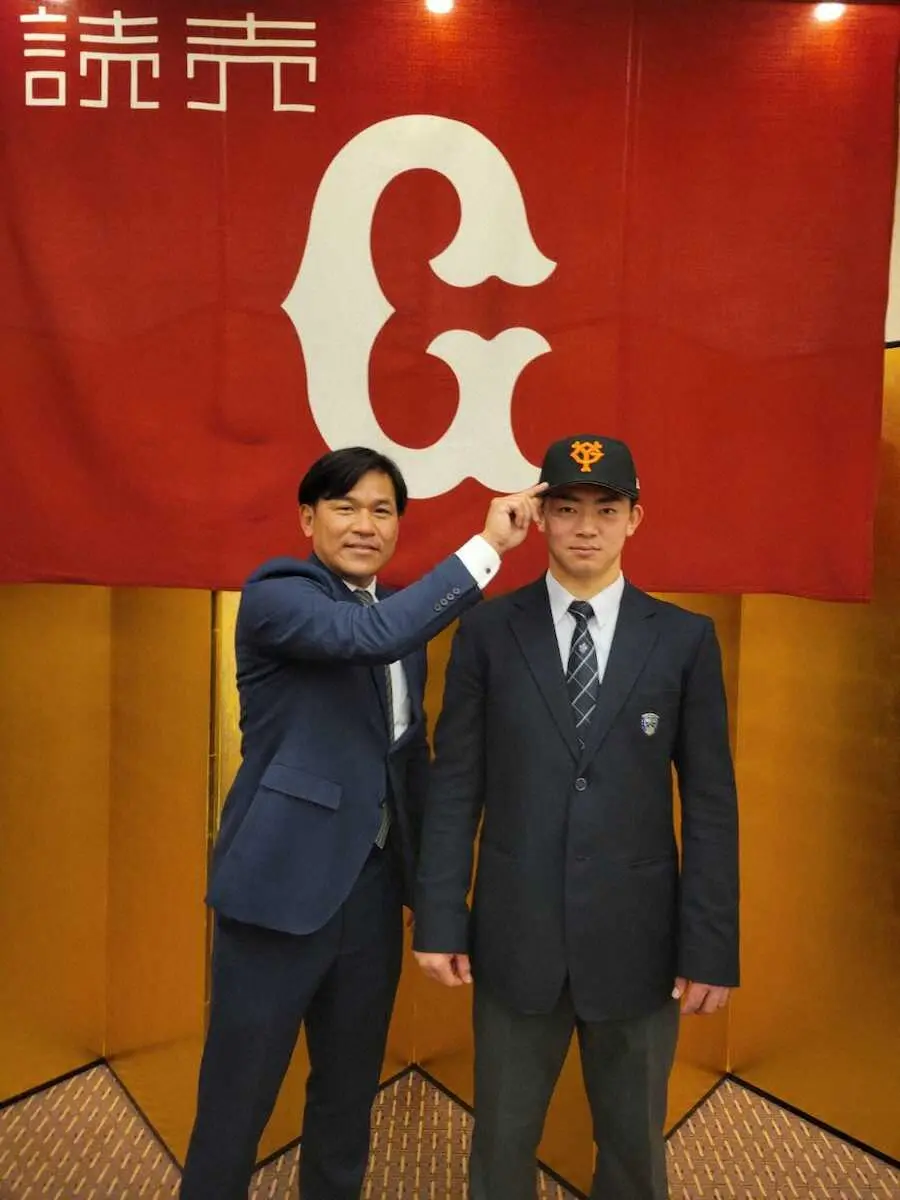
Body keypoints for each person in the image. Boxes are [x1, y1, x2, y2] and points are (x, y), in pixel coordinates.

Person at [180, 446, 544, 1200]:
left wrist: (432, 898)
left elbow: (409, 764)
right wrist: (488, 547)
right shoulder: (279, 595)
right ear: (306, 519)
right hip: (277, 897)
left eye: (382, 510)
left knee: (347, 1099)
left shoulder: (402, 619)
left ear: (398, 526)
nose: (364, 525)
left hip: (372, 897)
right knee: (236, 1103)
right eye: (344, 507)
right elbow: (365, 638)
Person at [413, 434, 739, 1200]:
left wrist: (711, 946)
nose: (586, 527)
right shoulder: (487, 633)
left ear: (635, 519)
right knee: (501, 1145)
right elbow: (455, 784)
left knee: (633, 1150)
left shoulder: (684, 640)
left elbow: (711, 803)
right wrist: (439, 917)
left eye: (606, 509)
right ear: (539, 517)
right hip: (514, 936)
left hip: (640, 944)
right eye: (566, 508)